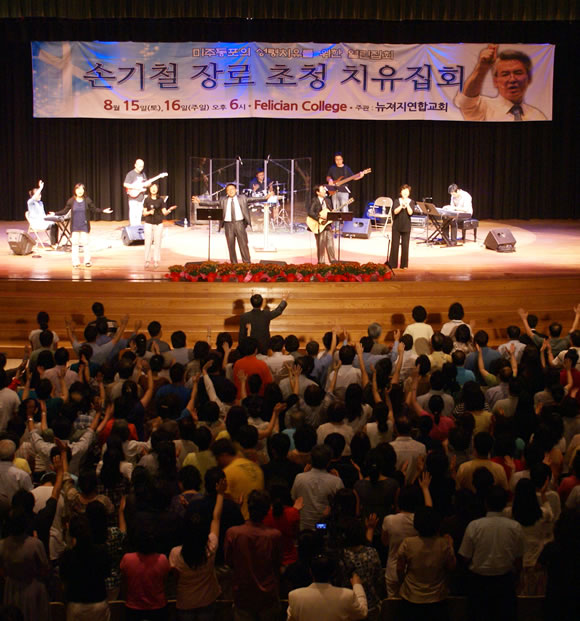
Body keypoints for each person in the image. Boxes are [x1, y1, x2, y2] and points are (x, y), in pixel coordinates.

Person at [459, 486, 525, 621]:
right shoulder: (515, 527)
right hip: (504, 582)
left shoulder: (474, 526)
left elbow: (465, 557)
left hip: (479, 583)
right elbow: (518, 559)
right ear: (505, 504)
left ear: (486, 503)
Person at [224, 490, 283, 621]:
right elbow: (278, 562)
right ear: (267, 510)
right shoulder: (274, 535)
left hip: (242, 594)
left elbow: (229, 561)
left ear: (249, 508)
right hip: (268, 596)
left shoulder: (233, 533)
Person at [455, 45, 547, 121]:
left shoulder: (537, 116)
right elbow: (465, 101)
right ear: (495, 81)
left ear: (529, 78)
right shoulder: (483, 106)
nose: (512, 79)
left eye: (518, 73)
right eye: (505, 74)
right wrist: (482, 67)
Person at [192, 184, 273, 263]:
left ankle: (247, 263)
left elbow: (253, 199)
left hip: (239, 224)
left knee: (243, 245)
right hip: (228, 225)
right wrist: (200, 201)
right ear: (226, 192)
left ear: (236, 190)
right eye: (228, 190)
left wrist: (265, 198)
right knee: (231, 246)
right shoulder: (223, 200)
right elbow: (212, 203)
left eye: (232, 189)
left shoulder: (242, 198)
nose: (230, 191)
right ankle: (233, 264)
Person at [287, 554, 368, 621]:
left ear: (310, 572)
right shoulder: (347, 595)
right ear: (333, 572)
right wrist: (357, 585)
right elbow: (362, 613)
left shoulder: (294, 596)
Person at [51, 183, 112, 268]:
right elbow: (64, 211)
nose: (80, 191)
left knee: (86, 243)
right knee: (75, 244)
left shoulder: (87, 200)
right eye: (78, 189)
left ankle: (87, 261)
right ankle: (75, 262)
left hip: (84, 225)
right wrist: (55, 213)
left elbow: (94, 209)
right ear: (75, 191)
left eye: (81, 189)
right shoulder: (71, 201)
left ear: (84, 191)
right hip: (75, 226)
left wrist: (103, 211)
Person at [142, 183, 176, 269]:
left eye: (155, 188)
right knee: (148, 242)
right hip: (148, 223)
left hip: (158, 224)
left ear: (157, 189)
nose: (153, 189)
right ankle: (147, 261)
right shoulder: (147, 199)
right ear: (150, 189)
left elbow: (164, 212)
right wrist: (149, 212)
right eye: (152, 188)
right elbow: (144, 213)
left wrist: (169, 210)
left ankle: (156, 261)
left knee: (157, 242)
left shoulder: (160, 200)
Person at [388, 184, 415, 269]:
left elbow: (410, 213)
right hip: (396, 226)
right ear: (401, 192)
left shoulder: (411, 202)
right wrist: (401, 205)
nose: (405, 192)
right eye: (403, 191)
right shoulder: (396, 201)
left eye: (407, 191)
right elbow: (395, 212)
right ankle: (393, 264)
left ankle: (404, 265)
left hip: (406, 226)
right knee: (394, 245)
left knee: (405, 246)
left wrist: (407, 205)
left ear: (409, 193)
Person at [308, 184, 336, 264]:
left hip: (327, 225)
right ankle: (321, 263)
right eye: (322, 190)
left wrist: (333, 213)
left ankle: (333, 261)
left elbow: (329, 211)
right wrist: (320, 217)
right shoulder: (315, 201)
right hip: (319, 225)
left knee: (330, 244)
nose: (324, 191)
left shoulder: (328, 200)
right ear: (318, 192)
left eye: (324, 189)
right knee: (321, 245)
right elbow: (310, 212)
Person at [26, 179, 58, 247]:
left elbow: (43, 215)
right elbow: (34, 198)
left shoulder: (41, 203)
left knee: (55, 224)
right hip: (36, 223)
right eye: (38, 194)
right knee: (52, 225)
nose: (40, 196)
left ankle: (55, 243)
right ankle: (53, 244)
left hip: (43, 221)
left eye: (40, 194)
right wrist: (40, 188)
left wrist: (49, 217)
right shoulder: (30, 202)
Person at [124, 159, 149, 227]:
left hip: (141, 197)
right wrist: (136, 187)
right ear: (135, 165)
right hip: (133, 197)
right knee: (133, 213)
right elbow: (125, 184)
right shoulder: (130, 174)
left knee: (139, 213)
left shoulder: (143, 174)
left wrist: (148, 184)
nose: (141, 168)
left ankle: (138, 227)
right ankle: (133, 227)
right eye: (140, 166)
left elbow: (145, 183)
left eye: (142, 166)